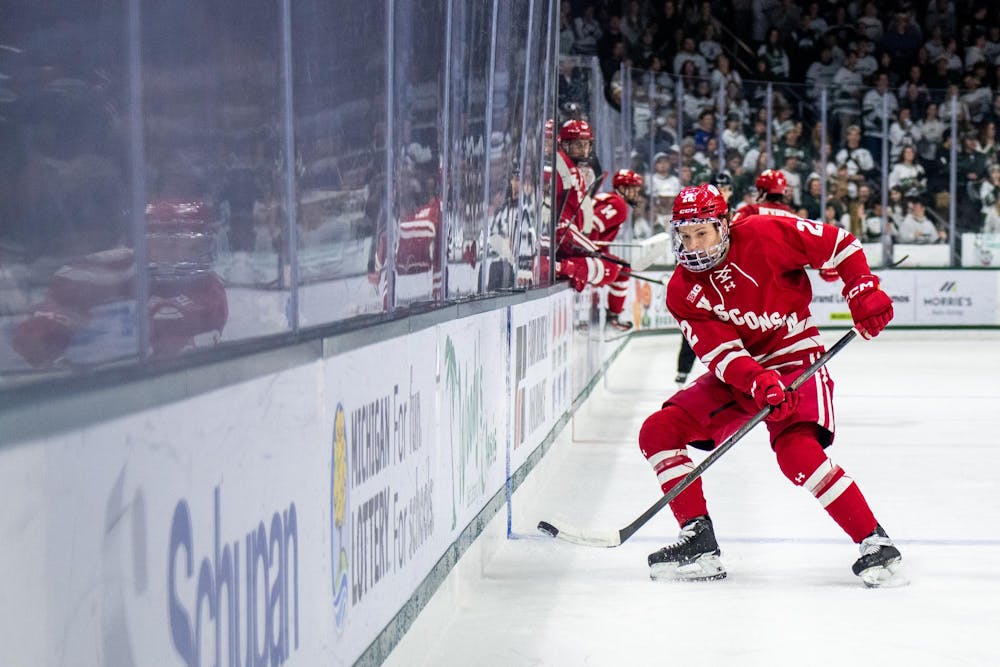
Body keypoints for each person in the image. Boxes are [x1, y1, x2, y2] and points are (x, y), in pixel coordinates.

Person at [638, 183, 901, 587]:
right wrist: (758, 381)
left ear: (725, 225)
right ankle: (698, 540)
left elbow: (841, 244)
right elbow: (721, 354)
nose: (692, 245)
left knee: (796, 455)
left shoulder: (765, 232)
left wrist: (861, 288)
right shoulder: (682, 289)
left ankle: (875, 542)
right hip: (745, 376)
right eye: (685, 235)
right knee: (659, 430)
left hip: (797, 359)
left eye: (702, 232)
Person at [729, 169, 797, 225]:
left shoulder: (749, 211)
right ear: (783, 191)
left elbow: (729, 229)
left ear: (761, 191)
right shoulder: (793, 216)